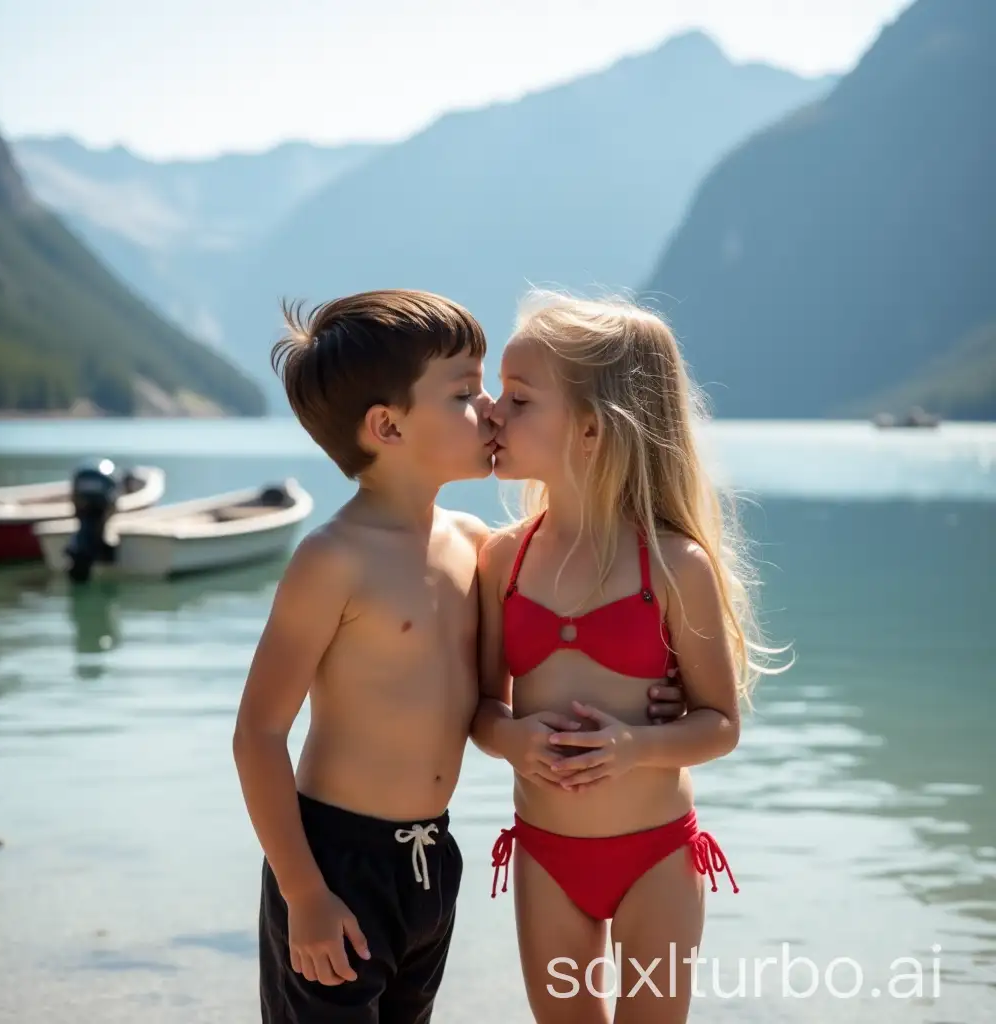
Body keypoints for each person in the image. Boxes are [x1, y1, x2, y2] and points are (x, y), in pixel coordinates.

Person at [233, 288, 688, 1024]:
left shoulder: (479, 547)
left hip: (430, 862)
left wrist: (653, 701)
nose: (490, 411)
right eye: (466, 393)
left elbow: (511, 685)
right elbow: (256, 734)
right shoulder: (332, 560)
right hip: (334, 862)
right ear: (387, 426)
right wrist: (304, 893)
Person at [472, 291, 771, 1024]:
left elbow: (720, 726)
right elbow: (482, 710)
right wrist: (512, 737)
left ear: (590, 430)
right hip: (547, 857)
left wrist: (637, 745)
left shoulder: (674, 566)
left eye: (517, 399)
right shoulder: (501, 560)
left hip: (657, 860)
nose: (490, 413)